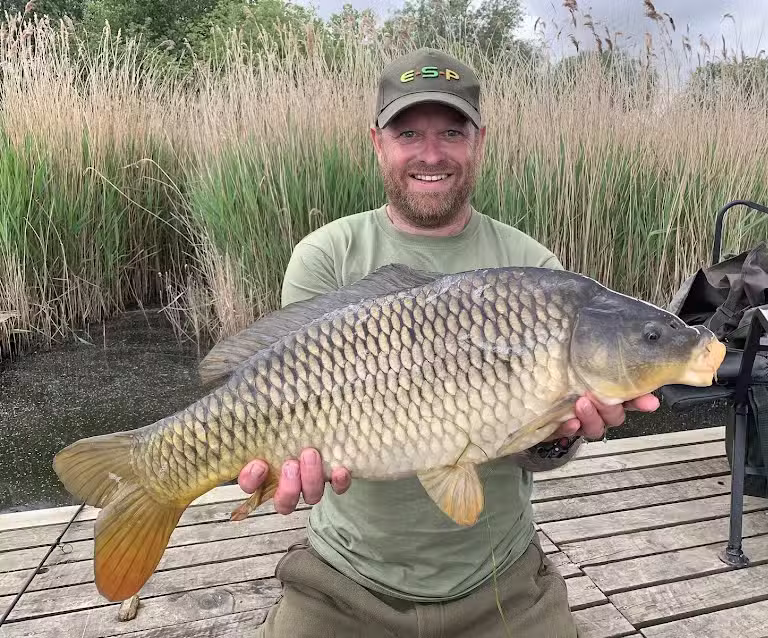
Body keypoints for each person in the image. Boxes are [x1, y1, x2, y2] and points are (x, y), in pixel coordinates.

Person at [243, 47, 659, 637]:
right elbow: (288, 398)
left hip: (501, 581)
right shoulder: (327, 255)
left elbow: (542, 452)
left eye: (451, 132)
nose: (431, 153)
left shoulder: (531, 265)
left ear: (478, 142)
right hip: (344, 579)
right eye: (408, 131)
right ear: (377, 142)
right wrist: (281, 470)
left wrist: (555, 439)